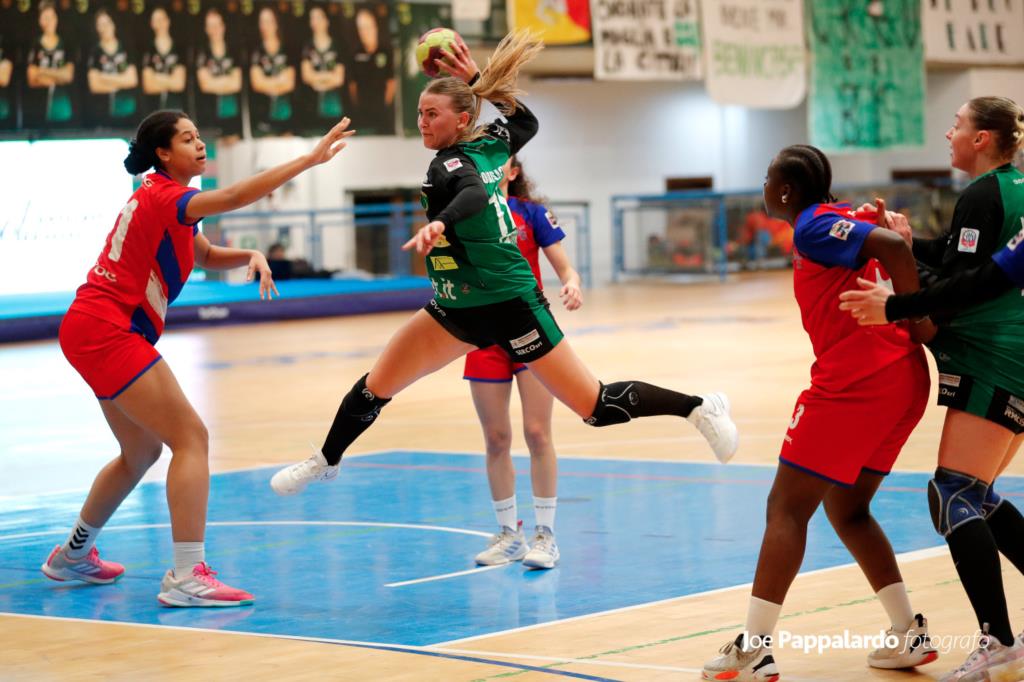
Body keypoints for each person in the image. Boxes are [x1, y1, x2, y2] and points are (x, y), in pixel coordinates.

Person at [269, 33, 737, 506]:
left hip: (512, 303)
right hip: (456, 306)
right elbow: (526, 120)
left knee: (595, 408)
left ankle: (699, 408)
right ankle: (326, 461)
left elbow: (470, 194)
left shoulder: (448, 164)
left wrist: (440, 221)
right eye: (419, 113)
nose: (422, 122)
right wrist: (476, 78)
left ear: (463, 119)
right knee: (375, 387)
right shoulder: (494, 144)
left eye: (432, 114)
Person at [40, 109, 355, 607]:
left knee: (141, 453)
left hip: (92, 327)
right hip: (108, 328)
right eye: (188, 139)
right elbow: (231, 198)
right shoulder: (167, 196)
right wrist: (308, 159)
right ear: (164, 153)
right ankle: (188, 576)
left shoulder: (164, 198)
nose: (201, 144)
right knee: (191, 437)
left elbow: (203, 252)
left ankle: (72, 555)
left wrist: (248, 256)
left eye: (199, 135)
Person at [702, 145, 939, 681]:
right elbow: (883, 240)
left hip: (858, 383)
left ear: (785, 191)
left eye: (767, 178)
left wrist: (919, 318)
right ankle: (908, 632)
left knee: (785, 507)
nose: (762, 186)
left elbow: (890, 250)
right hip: (902, 381)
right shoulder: (840, 218)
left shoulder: (811, 226)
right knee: (847, 509)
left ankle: (754, 648)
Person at [838, 97, 1024, 682]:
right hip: (1012, 352)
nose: (948, 133)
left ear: (983, 138)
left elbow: (970, 286)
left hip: (995, 355)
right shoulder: (1011, 190)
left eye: (958, 125)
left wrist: (892, 305)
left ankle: (997, 642)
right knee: (980, 494)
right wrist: (905, 241)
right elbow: (957, 261)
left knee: (953, 494)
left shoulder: (981, 193)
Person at [465, 155, 581, 570]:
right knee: (496, 438)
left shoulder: (531, 214)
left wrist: (571, 282)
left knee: (537, 432)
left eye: (500, 165)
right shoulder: (468, 215)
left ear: (512, 172)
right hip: (483, 335)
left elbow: (563, 265)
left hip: (530, 326)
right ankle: (509, 535)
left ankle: (545, 535)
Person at [195, 7, 243, 139]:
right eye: (211, 26)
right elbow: (205, 85)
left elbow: (237, 84)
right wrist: (226, 80)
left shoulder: (233, 52)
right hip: (210, 121)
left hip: (233, 120)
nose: (215, 29)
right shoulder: (202, 54)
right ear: (206, 29)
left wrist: (215, 82)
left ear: (223, 27)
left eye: (217, 25)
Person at [25, 0, 75, 125]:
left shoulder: (65, 44)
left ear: (56, 19)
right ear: (40, 20)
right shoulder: (35, 45)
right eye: (45, 18)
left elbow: (68, 76)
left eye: (52, 17)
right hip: (38, 108)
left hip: (62, 107)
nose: (49, 21)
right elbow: (32, 78)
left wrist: (42, 71)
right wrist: (58, 75)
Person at [86, 8, 138, 126]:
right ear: (96, 28)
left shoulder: (125, 48)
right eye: (101, 25)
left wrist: (103, 77)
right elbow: (94, 86)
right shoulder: (95, 52)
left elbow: (132, 80)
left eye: (107, 23)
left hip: (127, 112)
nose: (105, 28)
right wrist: (121, 80)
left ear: (113, 24)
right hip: (103, 114)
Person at [347, 6, 395, 135]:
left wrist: (384, 106)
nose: (365, 32)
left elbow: (391, 82)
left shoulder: (386, 51)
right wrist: (359, 107)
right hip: (362, 113)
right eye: (361, 28)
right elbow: (353, 85)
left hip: (383, 113)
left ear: (375, 27)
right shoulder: (355, 54)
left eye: (367, 27)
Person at [250, 6, 295, 136]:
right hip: (264, 119)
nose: (265, 26)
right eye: (262, 22)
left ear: (276, 23)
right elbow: (257, 84)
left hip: (287, 118)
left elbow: (289, 84)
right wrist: (279, 81)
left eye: (269, 21)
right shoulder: (257, 52)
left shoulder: (286, 49)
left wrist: (267, 82)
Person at [300, 5, 344, 123]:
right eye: (312, 18)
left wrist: (318, 80)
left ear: (327, 21)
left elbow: (339, 79)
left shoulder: (337, 46)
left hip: (335, 108)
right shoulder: (307, 47)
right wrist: (329, 75)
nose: (316, 22)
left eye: (319, 17)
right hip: (312, 107)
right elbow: (306, 76)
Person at [142, 7, 186, 111]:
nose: (160, 23)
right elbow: (148, 86)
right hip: (153, 109)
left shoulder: (178, 49)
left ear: (168, 21)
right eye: (156, 20)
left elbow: (179, 84)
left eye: (162, 19)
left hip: (175, 109)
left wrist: (156, 77)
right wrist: (170, 79)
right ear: (152, 24)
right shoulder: (148, 50)